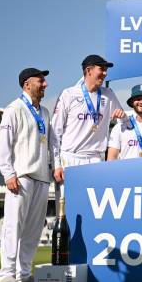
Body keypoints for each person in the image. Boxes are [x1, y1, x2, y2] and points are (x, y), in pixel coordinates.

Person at [0, 68, 53, 282]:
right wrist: (8, 173)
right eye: (41, 80)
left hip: (41, 177)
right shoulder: (14, 108)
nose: (45, 84)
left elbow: (50, 144)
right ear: (27, 84)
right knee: (13, 226)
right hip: (21, 176)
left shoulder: (45, 112)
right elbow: (4, 145)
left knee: (33, 229)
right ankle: (6, 273)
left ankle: (24, 272)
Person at [51, 55, 126, 196]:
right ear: (89, 70)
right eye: (102, 69)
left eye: (106, 70)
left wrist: (124, 117)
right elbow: (55, 133)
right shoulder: (69, 94)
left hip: (96, 160)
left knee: (93, 210)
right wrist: (56, 165)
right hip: (71, 159)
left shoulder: (108, 94)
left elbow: (124, 122)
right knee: (66, 210)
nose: (105, 73)